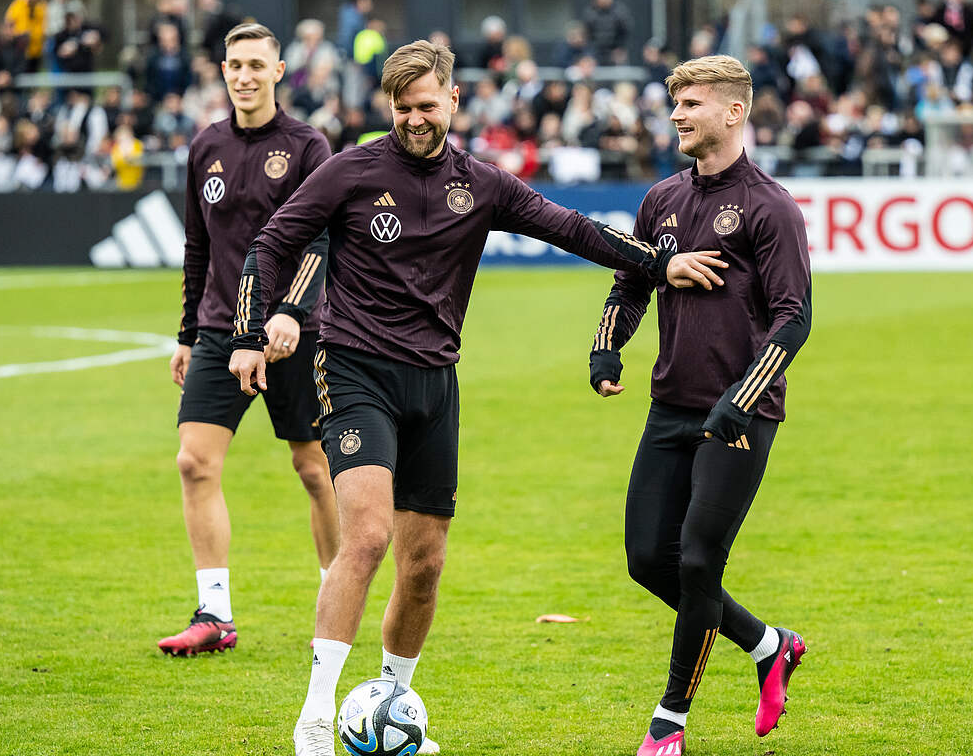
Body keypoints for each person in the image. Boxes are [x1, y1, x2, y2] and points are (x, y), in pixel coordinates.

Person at [226, 39, 723, 756]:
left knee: (424, 566)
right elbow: (269, 244)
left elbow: (572, 228)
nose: (415, 120)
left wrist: (660, 261)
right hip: (355, 368)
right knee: (366, 535)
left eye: (427, 106)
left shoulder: (483, 184)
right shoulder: (351, 171)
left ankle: (393, 711)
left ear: (454, 101)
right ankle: (313, 718)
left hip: (436, 382)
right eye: (402, 109)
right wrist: (248, 333)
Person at [585, 55, 811, 756]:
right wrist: (607, 347)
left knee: (695, 564)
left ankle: (669, 725)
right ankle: (770, 645)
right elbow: (631, 284)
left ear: (734, 112)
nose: (677, 114)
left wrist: (741, 400)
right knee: (646, 559)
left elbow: (793, 318)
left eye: (692, 103)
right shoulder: (661, 200)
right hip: (668, 407)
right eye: (674, 102)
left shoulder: (770, 206)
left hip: (739, 416)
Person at [156, 23, 341, 659]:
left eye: (257, 65)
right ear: (223, 71)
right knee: (193, 462)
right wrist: (186, 333)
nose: (244, 75)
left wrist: (290, 311)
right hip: (217, 331)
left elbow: (321, 239)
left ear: (280, 70)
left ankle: (335, 601)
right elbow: (197, 247)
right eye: (235, 65)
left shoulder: (308, 146)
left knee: (315, 469)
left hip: (297, 334)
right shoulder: (204, 146)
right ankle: (215, 614)